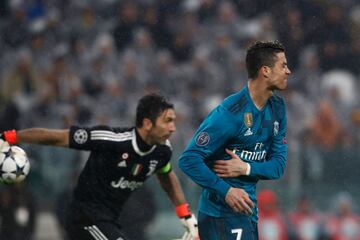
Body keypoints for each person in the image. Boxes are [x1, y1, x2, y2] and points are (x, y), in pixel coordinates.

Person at [1, 94, 199, 240]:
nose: (173, 127)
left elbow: (167, 175)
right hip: (84, 218)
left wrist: (184, 213)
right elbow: (56, 137)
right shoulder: (110, 139)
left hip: (109, 221)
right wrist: (10, 137)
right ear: (147, 123)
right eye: (167, 121)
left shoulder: (162, 151)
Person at [178, 40, 290, 240]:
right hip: (220, 214)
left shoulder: (278, 109)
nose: (288, 71)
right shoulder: (230, 112)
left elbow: (278, 166)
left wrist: (245, 168)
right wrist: (226, 191)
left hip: (247, 213)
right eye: (283, 65)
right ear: (265, 70)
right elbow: (188, 159)